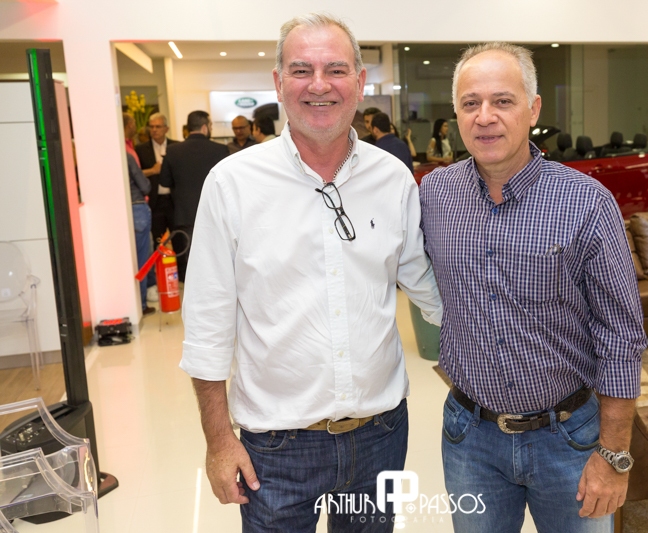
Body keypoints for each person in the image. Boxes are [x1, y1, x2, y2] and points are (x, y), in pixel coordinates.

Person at [178, 13, 442, 533]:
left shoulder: (393, 179)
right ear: (279, 83)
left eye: (335, 70)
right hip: (276, 448)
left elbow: (429, 288)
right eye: (302, 70)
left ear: (359, 83)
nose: (319, 85)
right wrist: (219, 440)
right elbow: (207, 325)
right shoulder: (232, 183)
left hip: (380, 436)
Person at [419, 42, 646, 533]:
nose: (485, 117)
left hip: (569, 438)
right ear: (456, 114)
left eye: (503, 101)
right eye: (470, 103)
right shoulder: (434, 195)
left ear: (534, 109)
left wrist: (615, 454)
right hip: (469, 437)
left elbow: (622, 337)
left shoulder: (586, 202)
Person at [159, 110, 229, 281]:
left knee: (193, 259)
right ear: (205, 127)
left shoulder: (173, 150)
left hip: (185, 215)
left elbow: (164, 182)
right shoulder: (220, 149)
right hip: (214, 212)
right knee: (217, 258)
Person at [123, 112, 155, 316]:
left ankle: (128, 303)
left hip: (120, 211)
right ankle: (141, 304)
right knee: (142, 259)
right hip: (137, 208)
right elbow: (144, 185)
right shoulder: (126, 155)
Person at [135, 112, 179, 254]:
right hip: (154, 202)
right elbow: (136, 174)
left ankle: (183, 268)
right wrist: (153, 171)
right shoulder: (140, 149)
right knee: (157, 242)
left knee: (179, 240)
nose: (154, 130)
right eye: (152, 126)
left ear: (166, 129)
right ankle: (159, 268)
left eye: (158, 127)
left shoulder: (176, 146)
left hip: (174, 201)